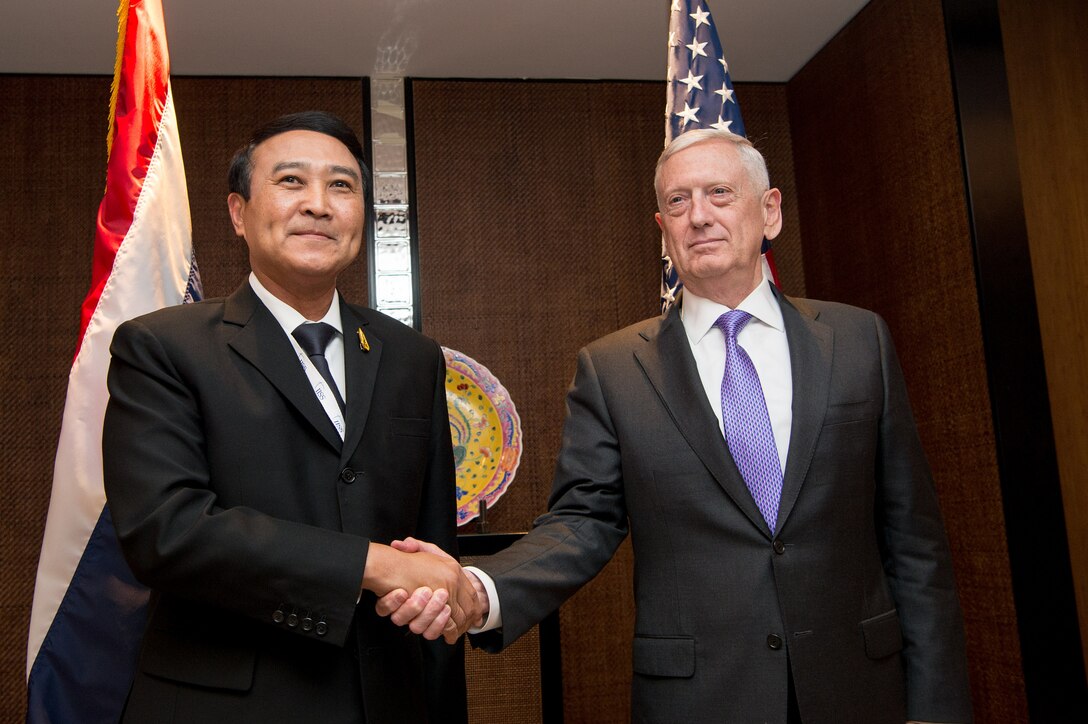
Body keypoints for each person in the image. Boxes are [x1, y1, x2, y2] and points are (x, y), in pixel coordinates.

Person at [381, 129, 973, 723]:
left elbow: (913, 540)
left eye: (719, 193)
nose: (699, 217)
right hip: (699, 698)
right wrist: (480, 589)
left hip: (860, 689)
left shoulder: (859, 340)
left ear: (770, 212)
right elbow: (582, 523)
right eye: (678, 203)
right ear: (662, 229)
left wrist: (937, 708)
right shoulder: (613, 368)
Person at [102, 111, 476, 724]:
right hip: (225, 705)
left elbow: (434, 551)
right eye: (291, 182)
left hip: (388, 700)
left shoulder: (413, 356)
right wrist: (374, 564)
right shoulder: (162, 347)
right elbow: (166, 532)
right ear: (237, 213)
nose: (318, 206)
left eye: (341, 186)